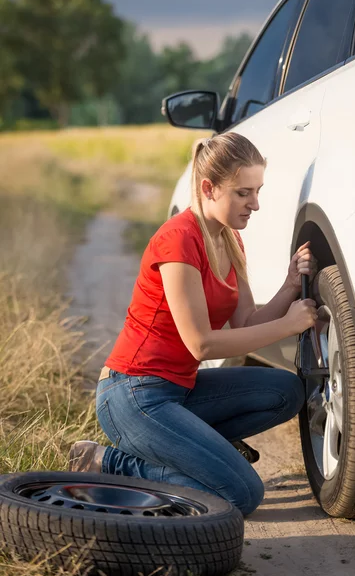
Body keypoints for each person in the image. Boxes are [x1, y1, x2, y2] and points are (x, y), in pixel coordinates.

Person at [69, 132, 318, 517]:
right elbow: (201, 345)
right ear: (209, 188)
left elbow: (247, 322)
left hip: (180, 390)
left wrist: (288, 285)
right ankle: (110, 463)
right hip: (132, 394)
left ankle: (196, 453)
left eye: (258, 190)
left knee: (286, 390)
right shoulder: (178, 240)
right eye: (243, 193)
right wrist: (289, 326)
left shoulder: (231, 240)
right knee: (242, 494)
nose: (255, 204)